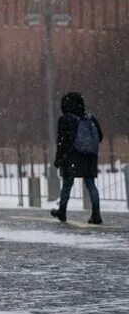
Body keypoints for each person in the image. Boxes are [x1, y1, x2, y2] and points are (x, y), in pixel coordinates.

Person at [51, 92, 104, 225]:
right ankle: (96, 214)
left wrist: (58, 159)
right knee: (91, 184)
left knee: (67, 185)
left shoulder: (65, 119)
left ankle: (62, 211)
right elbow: (100, 137)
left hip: (72, 157)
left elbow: (62, 142)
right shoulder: (90, 118)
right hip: (89, 157)